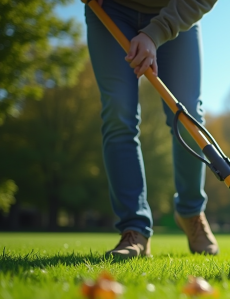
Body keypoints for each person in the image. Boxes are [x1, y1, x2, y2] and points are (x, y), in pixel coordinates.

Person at [85, 0, 219, 258]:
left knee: (187, 114)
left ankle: (191, 212)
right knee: (118, 114)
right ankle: (134, 229)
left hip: (176, 11)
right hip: (110, 9)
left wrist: (154, 33)